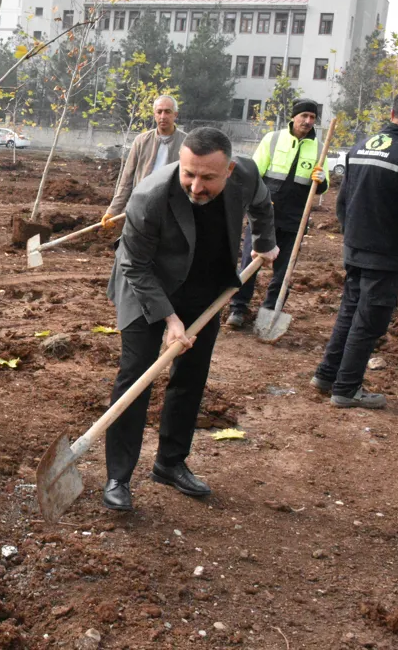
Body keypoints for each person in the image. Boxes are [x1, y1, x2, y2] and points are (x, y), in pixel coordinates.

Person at [101, 127, 277, 512]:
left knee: (192, 374)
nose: (196, 186)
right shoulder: (149, 197)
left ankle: (170, 462)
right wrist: (168, 318)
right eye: (188, 174)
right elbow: (134, 265)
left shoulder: (246, 174)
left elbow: (264, 205)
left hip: (203, 285)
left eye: (208, 177)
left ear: (229, 170)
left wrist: (265, 242)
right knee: (136, 376)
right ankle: (118, 476)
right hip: (145, 285)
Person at [310, 91, 398, 409]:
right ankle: (346, 389)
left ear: (391, 113)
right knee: (368, 321)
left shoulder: (360, 146)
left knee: (349, 312)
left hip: (356, 247)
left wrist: (352, 237)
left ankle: (326, 375)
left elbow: (342, 201)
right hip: (385, 256)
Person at [226, 99, 329, 328]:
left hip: (296, 218)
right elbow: (254, 174)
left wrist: (322, 181)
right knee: (250, 262)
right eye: (304, 116)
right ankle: (238, 308)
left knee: (284, 269)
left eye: (312, 117)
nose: (308, 121)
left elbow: (324, 185)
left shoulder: (319, 147)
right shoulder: (272, 140)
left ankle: (270, 311)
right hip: (265, 213)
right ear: (294, 117)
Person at [101, 94, 187, 228]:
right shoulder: (141, 141)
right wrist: (113, 211)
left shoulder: (186, 143)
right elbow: (127, 179)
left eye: (167, 112)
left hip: (171, 212)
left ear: (175, 115)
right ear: (154, 115)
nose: (163, 116)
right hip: (140, 208)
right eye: (159, 112)